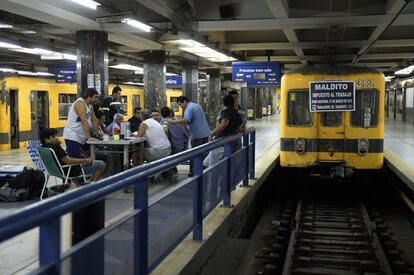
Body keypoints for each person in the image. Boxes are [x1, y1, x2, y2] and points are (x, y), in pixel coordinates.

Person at [40, 128, 106, 183]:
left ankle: (77, 186)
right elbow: (69, 161)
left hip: (56, 172)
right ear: (46, 139)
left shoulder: (43, 147)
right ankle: (91, 187)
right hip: (70, 171)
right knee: (101, 164)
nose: (56, 138)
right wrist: (85, 160)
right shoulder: (55, 147)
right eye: (53, 137)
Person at [165, 96, 210, 175]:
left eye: (180, 104)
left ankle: (194, 172)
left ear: (184, 101)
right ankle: (203, 170)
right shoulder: (197, 105)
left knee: (195, 153)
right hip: (205, 133)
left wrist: (173, 122)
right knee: (203, 153)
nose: (180, 107)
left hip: (197, 135)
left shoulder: (189, 108)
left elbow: (186, 120)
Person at [204, 95, 242, 167]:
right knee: (206, 163)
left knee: (212, 167)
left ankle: (213, 178)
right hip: (230, 143)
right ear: (233, 102)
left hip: (221, 143)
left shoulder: (225, 111)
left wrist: (212, 133)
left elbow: (224, 124)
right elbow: (240, 129)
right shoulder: (237, 114)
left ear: (224, 103)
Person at [63, 88, 100, 160]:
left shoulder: (90, 106)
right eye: (95, 97)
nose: (96, 99)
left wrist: (98, 135)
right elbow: (84, 121)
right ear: (89, 96)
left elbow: (94, 120)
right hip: (72, 136)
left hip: (80, 137)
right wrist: (89, 137)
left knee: (85, 158)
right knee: (76, 159)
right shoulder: (80, 103)